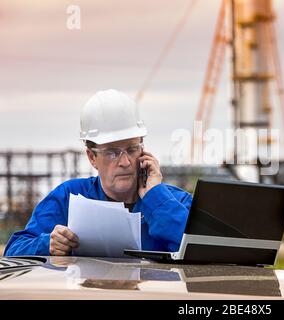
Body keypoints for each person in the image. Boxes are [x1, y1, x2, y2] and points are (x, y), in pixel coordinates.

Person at [4, 89, 192, 256]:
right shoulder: (68, 198)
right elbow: (14, 250)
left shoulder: (175, 202)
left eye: (132, 149)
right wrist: (47, 244)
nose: (125, 162)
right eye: (112, 152)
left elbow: (200, 250)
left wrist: (156, 199)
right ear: (92, 157)